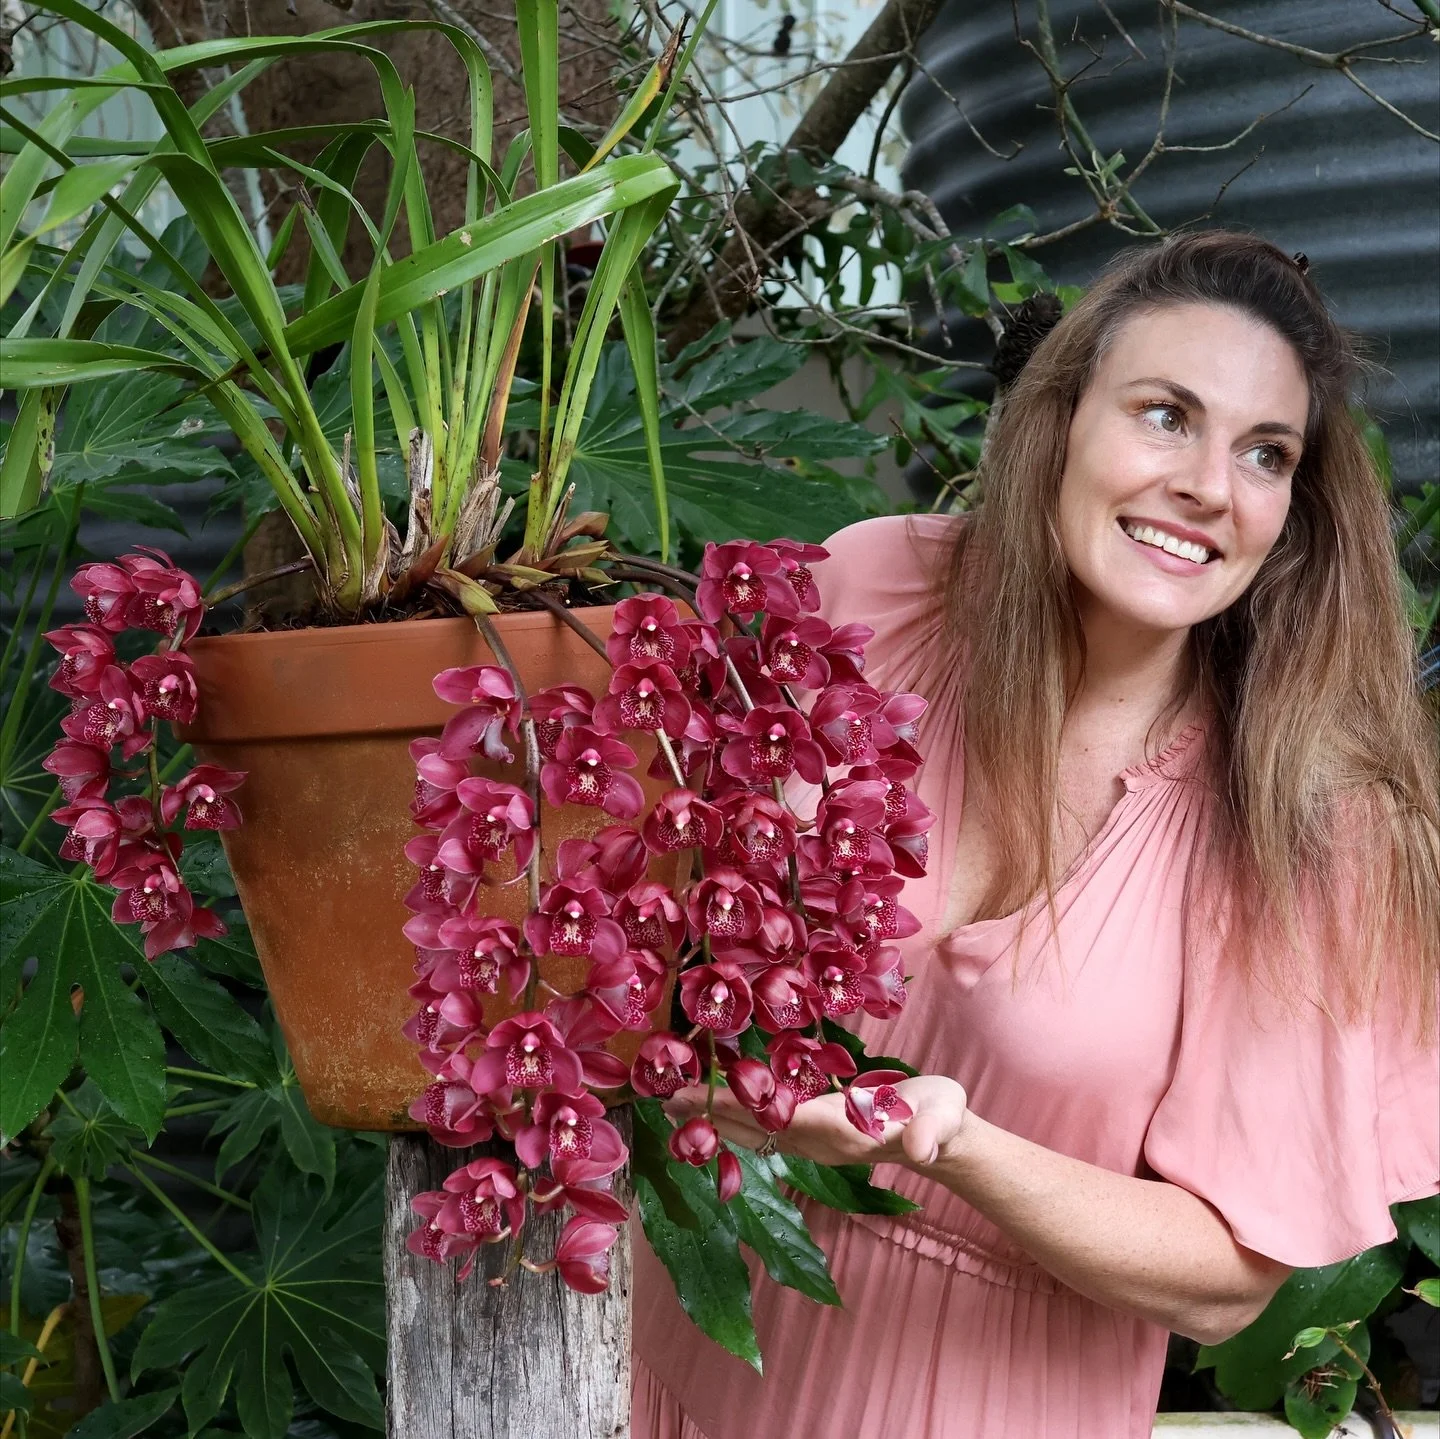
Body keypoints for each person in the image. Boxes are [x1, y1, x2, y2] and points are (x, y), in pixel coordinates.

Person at [630, 230, 1440, 1438]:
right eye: (1166, 415)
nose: (1211, 486)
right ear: (1060, 419)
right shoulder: (874, 593)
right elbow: (654, 886)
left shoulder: (1307, 818)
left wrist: (943, 1135)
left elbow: (1226, 1273)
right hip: (672, 1365)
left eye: (1265, 453)